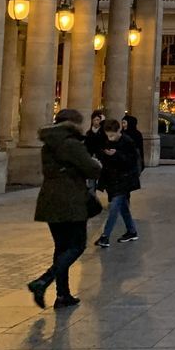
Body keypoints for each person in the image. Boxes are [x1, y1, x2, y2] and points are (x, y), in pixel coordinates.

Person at [29, 108, 102, 309]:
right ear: (73, 123)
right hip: (70, 200)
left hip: (49, 200)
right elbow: (92, 169)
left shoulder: (49, 144)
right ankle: (43, 280)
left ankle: (63, 295)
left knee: (61, 248)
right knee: (77, 245)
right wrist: (94, 163)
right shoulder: (70, 144)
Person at [93, 119, 141, 247]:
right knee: (123, 207)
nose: (111, 138)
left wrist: (116, 154)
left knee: (114, 207)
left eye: (112, 135)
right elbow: (103, 158)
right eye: (108, 135)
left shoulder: (128, 142)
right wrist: (104, 155)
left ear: (119, 131)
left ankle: (105, 236)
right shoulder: (107, 142)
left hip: (125, 180)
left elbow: (132, 161)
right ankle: (132, 231)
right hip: (112, 180)